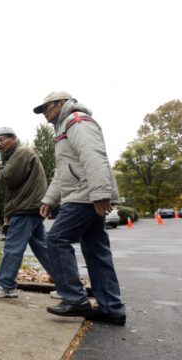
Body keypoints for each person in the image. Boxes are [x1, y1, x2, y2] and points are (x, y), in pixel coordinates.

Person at [34, 91, 126, 326]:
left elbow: (94, 156)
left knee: (55, 239)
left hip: (84, 195)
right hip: (83, 194)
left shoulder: (76, 121)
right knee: (96, 251)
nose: (44, 114)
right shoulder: (64, 128)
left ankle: (75, 299)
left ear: (61, 103)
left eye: (46, 108)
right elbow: (63, 171)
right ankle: (111, 308)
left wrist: (100, 193)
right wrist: (49, 199)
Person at [0, 127, 57, 298]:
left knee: (13, 247)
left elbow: (7, 178)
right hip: (31, 207)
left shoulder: (22, 152)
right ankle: (66, 285)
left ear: (13, 138)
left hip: (25, 208)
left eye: (2, 139)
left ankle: (6, 285)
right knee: (43, 248)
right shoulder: (17, 154)